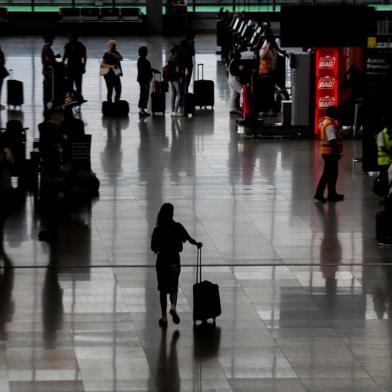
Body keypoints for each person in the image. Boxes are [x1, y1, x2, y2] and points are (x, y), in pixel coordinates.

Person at [151, 203, 202, 327]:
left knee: (162, 290)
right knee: (174, 287)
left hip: (162, 261)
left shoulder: (158, 230)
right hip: (174, 261)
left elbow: (153, 247)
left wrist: (159, 248)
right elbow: (189, 239)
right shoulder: (177, 226)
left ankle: (164, 317)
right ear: (172, 213)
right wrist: (197, 244)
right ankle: (173, 307)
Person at [314, 106, 344, 203]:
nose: (338, 114)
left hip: (328, 152)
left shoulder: (327, 123)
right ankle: (319, 194)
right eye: (336, 112)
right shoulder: (330, 125)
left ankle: (332, 194)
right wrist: (337, 152)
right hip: (330, 153)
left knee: (332, 174)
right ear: (332, 113)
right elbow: (332, 140)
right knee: (327, 175)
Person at [137, 46, 159, 117]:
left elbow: (148, 69)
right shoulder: (143, 61)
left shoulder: (141, 60)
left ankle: (142, 110)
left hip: (143, 80)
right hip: (144, 81)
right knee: (144, 95)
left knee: (144, 95)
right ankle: (141, 110)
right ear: (144, 52)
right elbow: (144, 72)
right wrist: (146, 82)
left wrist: (154, 70)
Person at [41, 35, 61, 106]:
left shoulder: (46, 48)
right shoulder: (47, 48)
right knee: (49, 86)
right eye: (52, 40)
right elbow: (48, 60)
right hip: (48, 71)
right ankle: (49, 101)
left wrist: (55, 56)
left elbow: (49, 57)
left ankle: (48, 101)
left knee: (48, 85)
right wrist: (56, 63)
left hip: (46, 70)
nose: (53, 42)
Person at [167, 46, 184, 117]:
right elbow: (177, 70)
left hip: (170, 78)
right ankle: (176, 111)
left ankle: (172, 111)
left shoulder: (170, 57)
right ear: (176, 52)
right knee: (179, 94)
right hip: (175, 78)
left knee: (174, 94)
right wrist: (182, 73)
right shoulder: (176, 59)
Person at [227, 50, 243, 115]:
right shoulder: (235, 61)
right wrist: (240, 70)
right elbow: (234, 72)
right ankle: (242, 107)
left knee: (233, 94)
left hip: (230, 80)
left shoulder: (231, 61)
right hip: (234, 80)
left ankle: (231, 109)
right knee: (243, 91)